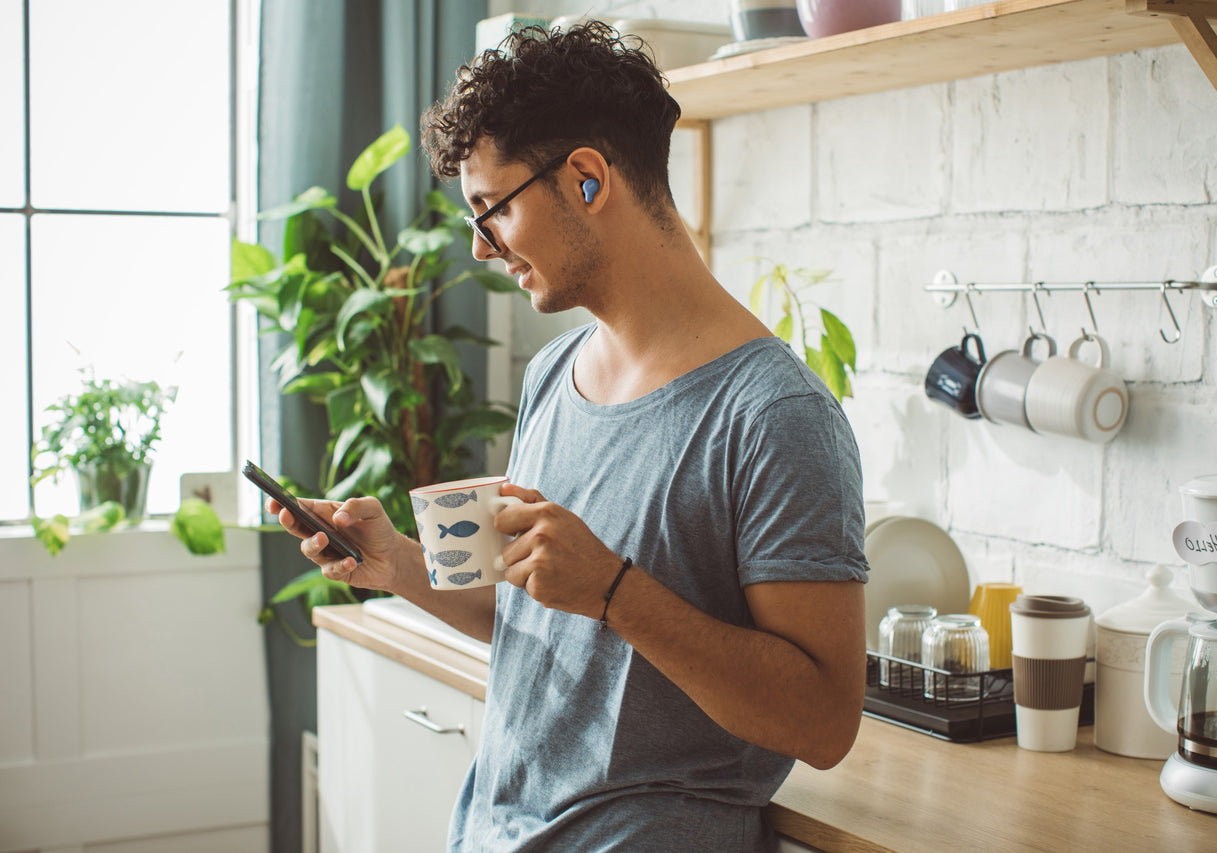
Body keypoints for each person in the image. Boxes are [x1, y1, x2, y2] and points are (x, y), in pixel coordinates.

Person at [270, 21, 868, 852]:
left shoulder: (775, 416)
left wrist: (616, 589)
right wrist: (399, 563)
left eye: (494, 209)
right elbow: (543, 621)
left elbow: (825, 719)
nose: (483, 247)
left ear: (587, 179)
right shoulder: (555, 374)